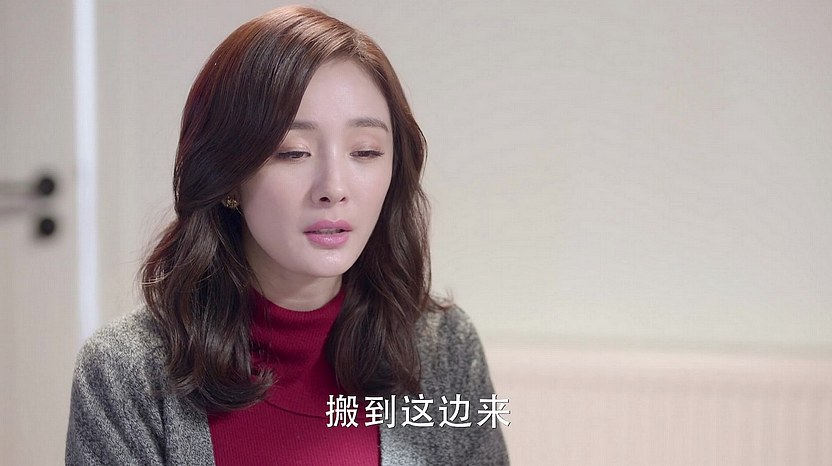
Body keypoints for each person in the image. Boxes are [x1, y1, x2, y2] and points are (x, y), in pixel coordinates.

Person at [66, 5, 508, 465]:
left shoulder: (442, 347)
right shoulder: (124, 373)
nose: (334, 187)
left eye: (365, 151)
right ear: (227, 175)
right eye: (293, 153)